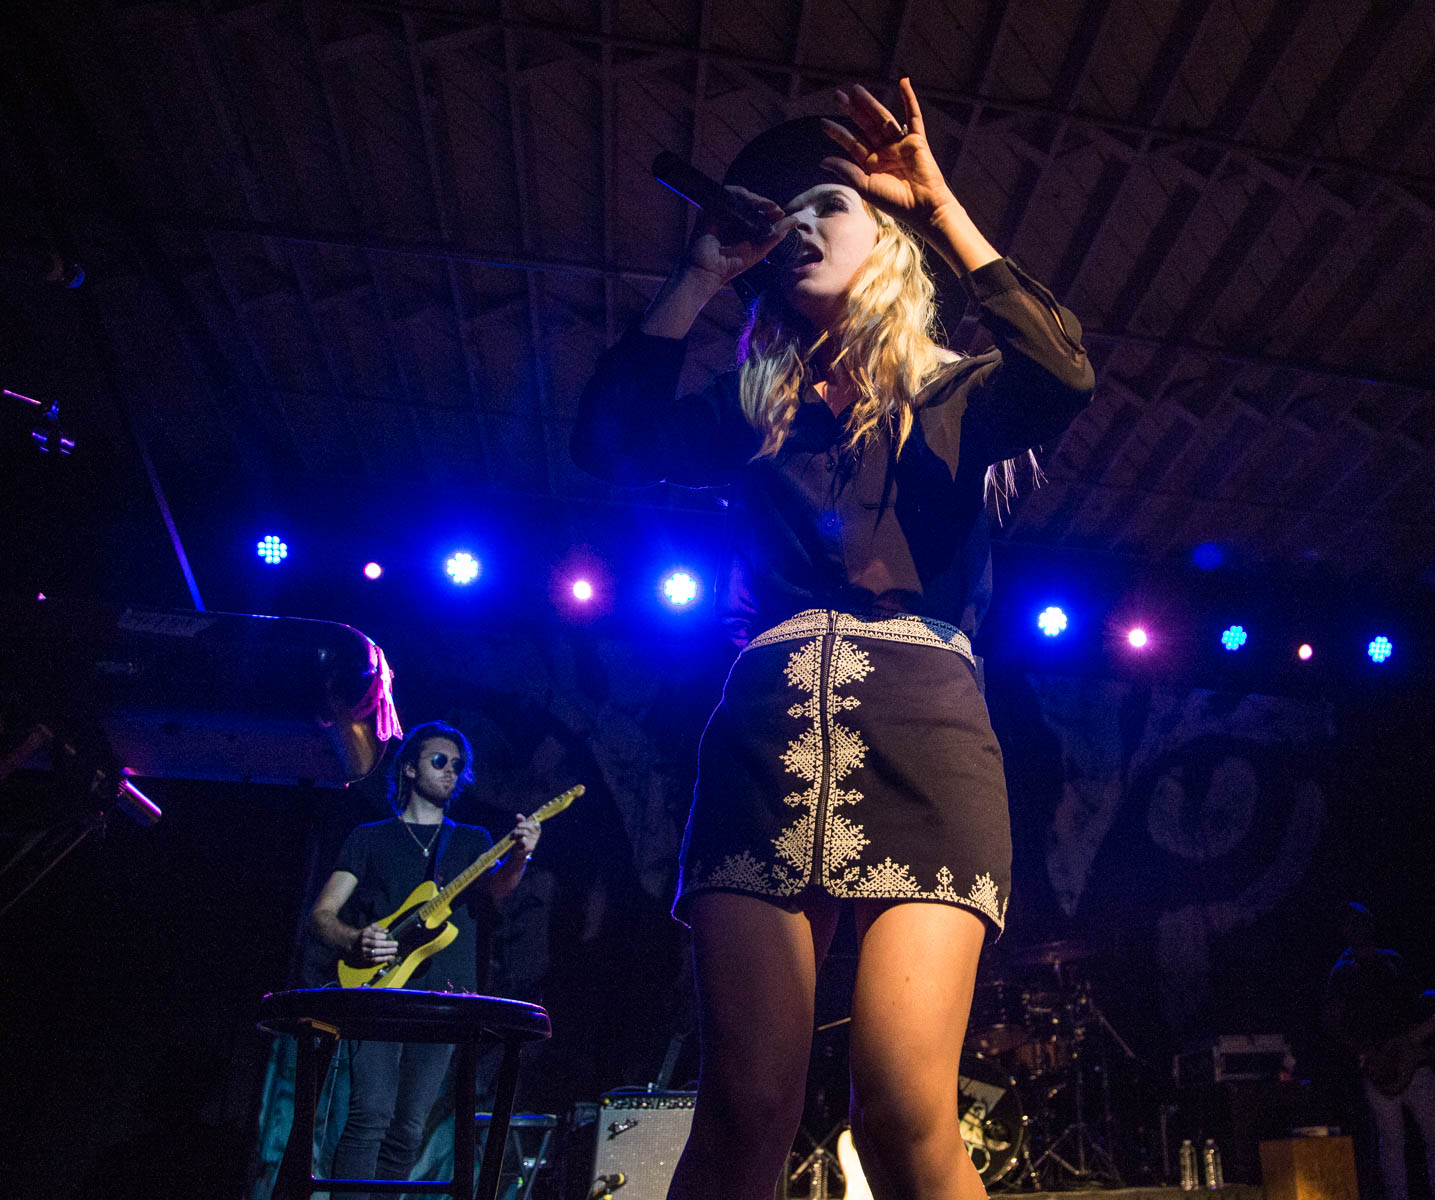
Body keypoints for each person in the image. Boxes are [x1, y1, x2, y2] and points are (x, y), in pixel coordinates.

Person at [572, 80, 1094, 1200]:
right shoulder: (751, 408)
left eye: (832, 205)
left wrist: (940, 206)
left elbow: (1064, 371)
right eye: (787, 215)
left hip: (929, 744)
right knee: (745, 1107)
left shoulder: (960, 396)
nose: (802, 225)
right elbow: (607, 443)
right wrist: (699, 273)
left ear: (888, 239)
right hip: (763, 745)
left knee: (903, 1111)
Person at [309, 721, 541, 1192]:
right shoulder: (370, 838)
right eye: (439, 761)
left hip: (445, 1000)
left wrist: (520, 856)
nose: (450, 770)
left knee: (409, 1128)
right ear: (410, 768)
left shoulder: (472, 840)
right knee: (369, 1114)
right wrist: (355, 939)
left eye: (458, 765)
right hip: (377, 991)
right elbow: (322, 914)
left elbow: (496, 890)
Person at [1323, 902, 1435, 1200]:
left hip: (1414, 1060)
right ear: (1345, 930)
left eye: (1365, 921)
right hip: (1379, 1068)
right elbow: (1332, 1022)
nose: (1362, 928)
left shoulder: (1392, 960)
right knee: (1393, 1142)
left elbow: (1419, 999)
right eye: (1354, 923)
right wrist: (1367, 1054)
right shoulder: (1343, 972)